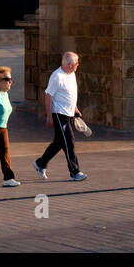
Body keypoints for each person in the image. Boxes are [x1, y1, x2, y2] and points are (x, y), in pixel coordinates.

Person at [33, 51, 87, 182]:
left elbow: (70, 94)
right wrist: (49, 116)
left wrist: (75, 108)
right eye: (76, 63)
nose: (78, 65)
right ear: (70, 65)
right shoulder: (57, 76)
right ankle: (74, 172)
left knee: (59, 142)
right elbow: (48, 95)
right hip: (59, 114)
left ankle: (40, 163)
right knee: (69, 141)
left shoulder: (71, 74)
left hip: (69, 113)